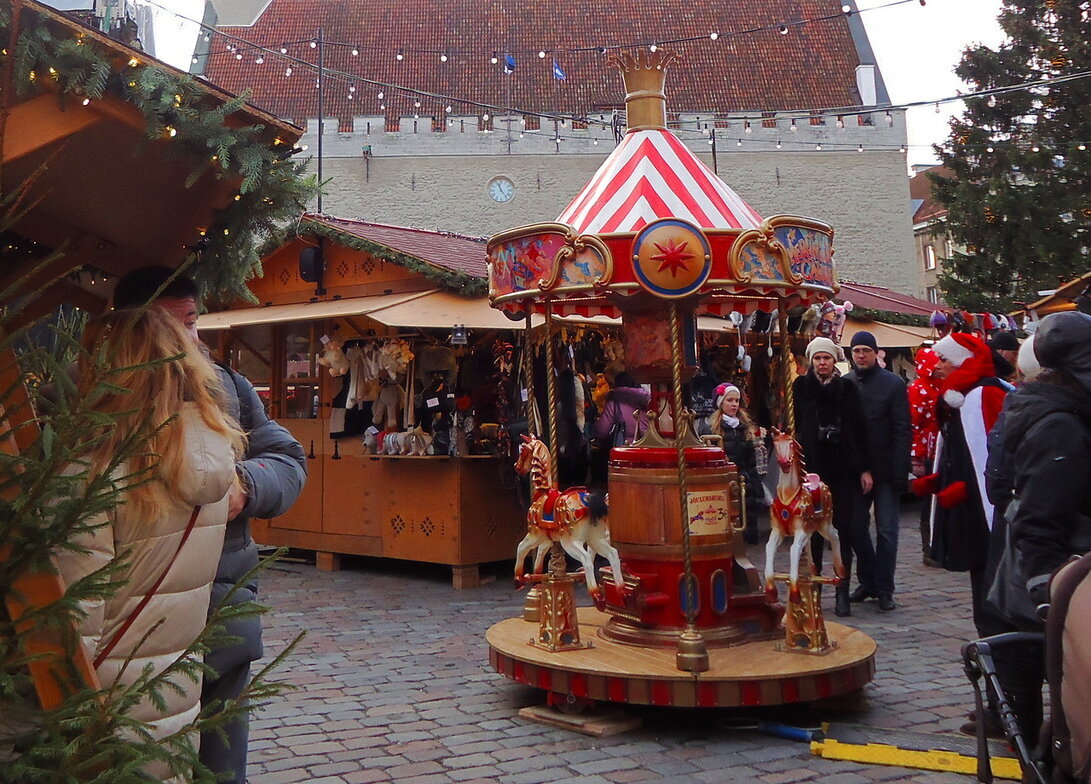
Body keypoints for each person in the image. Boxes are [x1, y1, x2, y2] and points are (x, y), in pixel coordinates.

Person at [112, 266, 307, 784]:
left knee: (221, 768)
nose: (188, 341)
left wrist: (247, 485)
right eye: (171, 327)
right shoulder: (100, 398)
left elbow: (288, 459)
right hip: (135, 627)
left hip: (223, 612)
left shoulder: (230, 388)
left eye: (193, 322)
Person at [59, 308, 244, 780]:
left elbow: (69, 628)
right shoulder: (217, 456)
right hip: (174, 691)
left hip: (105, 710)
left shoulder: (90, 473)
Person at [916, 332, 1009, 636]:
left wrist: (968, 485)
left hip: (985, 508)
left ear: (962, 362)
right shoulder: (960, 396)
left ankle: (999, 643)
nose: (938, 365)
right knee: (979, 577)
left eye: (944, 359)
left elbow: (993, 453)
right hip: (968, 506)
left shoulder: (985, 394)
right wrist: (940, 478)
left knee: (992, 580)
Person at [792, 336, 873, 617]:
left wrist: (864, 467)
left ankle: (842, 589)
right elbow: (794, 427)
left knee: (842, 532)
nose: (822, 363)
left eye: (826, 358)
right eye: (817, 358)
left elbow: (861, 429)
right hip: (813, 470)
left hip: (843, 469)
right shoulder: (801, 387)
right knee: (812, 532)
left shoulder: (847, 388)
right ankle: (815, 589)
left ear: (833, 360)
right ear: (811, 361)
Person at [844, 331, 910, 612]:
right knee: (856, 528)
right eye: (857, 351)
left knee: (886, 531)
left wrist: (898, 472)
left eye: (866, 351)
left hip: (886, 470)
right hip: (856, 471)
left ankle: (884, 588)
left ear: (875, 353)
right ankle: (867, 579)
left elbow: (901, 430)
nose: (861, 355)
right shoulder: (845, 384)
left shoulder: (893, 385)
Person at [696, 383, 767, 544]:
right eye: (730, 400)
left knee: (746, 511)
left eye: (736, 400)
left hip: (743, 477)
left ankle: (748, 540)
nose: (734, 404)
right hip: (725, 478)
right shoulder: (712, 428)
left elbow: (751, 460)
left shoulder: (744, 428)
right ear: (721, 403)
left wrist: (755, 484)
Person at [909, 346, 942, 567]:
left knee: (939, 499)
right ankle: (928, 549)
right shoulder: (918, 389)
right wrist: (916, 457)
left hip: (939, 449)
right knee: (929, 501)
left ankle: (938, 547)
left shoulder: (940, 387)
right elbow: (912, 425)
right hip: (926, 452)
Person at [592, 372, 649, 448]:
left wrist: (593, 429)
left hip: (625, 448)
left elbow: (602, 430)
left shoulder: (615, 399)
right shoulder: (647, 398)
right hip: (647, 445)